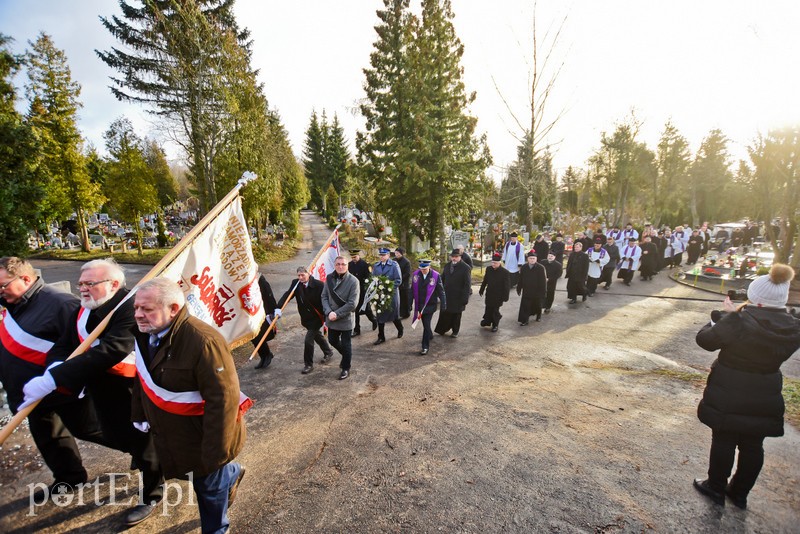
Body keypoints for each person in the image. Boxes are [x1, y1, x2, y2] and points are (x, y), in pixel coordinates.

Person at [20, 259, 163, 526]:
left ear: (113, 284)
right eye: (81, 284)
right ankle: (150, 457)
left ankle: (152, 494)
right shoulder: (85, 309)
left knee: (143, 443)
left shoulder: (131, 307)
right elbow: (65, 343)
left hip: (132, 388)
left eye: (90, 283)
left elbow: (114, 349)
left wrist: (58, 377)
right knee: (113, 434)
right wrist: (53, 368)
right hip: (100, 387)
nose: (83, 289)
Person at [131, 277, 248, 533]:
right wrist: (139, 413)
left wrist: (216, 453)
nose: (138, 314)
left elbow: (223, 401)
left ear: (173, 309)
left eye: (147, 309)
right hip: (174, 432)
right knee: (197, 478)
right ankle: (230, 473)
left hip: (204, 436)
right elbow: (142, 377)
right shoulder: (144, 333)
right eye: (136, 307)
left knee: (208, 491)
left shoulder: (204, 341)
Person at [0, 257, 111, 495]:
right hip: (29, 393)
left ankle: (149, 454)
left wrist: (67, 379)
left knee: (92, 429)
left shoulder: (61, 303)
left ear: (25, 279)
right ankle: (69, 478)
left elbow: (85, 343)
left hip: (62, 390)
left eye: (2, 286)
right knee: (49, 436)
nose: (0, 292)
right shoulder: (14, 304)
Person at [693, 264, 800, 509]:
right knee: (753, 444)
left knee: (724, 438)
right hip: (766, 389)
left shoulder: (738, 322)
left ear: (756, 298)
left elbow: (706, 340)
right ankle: (739, 493)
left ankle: (715, 486)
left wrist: (721, 317)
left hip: (730, 387)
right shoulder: (793, 326)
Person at [277, 266, 334, 374]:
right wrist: (278, 307)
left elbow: (326, 300)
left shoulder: (319, 285)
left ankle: (308, 364)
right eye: (298, 275)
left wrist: (327, 315)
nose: (300, 277)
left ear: (309, 273)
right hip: (305, 318)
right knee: (316, 335)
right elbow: (288, 295)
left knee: (308, 340)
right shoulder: (296, 283)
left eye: (302, 275)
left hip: (317, 317)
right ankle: (328, 351)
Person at [321, 256, 359, 380]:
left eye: (343, 264)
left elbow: (352, 303)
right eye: (338, 264)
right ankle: (347, 356)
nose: (340, 266)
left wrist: (336, 314)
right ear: (334, 265)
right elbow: (324, 296)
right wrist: (328, 312)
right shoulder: (329, 278)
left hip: (345, 318)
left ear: (347, 265)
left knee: (346, 344)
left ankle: (345, 368)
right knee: (332, 340)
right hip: (331, 317)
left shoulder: (353, 281)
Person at [409, 259, 446, 355]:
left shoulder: (435, 276)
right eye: (421, 269)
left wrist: (443, 304)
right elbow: (412, 290)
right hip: (420, 304)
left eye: (425, 269)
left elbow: (441, 291)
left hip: (430, 305)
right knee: (425, 323)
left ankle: (425, 346)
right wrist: (409, 304)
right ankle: (430, 334)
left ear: (429, 267)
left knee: (426, 324)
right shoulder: (416, 275)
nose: (423, 271)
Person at [434, 249, 471, 338]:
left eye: (456, 257)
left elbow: (467, 284)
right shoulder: (447, 266)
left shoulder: (465, 268)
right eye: (452, 257)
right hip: (447, 295)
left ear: (460, 257)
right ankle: (442, 329)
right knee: (444, 313)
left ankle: (455, 331)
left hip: (458, 296)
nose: (454, 258)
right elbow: (442, 279)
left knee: (456, 315)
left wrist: (465, 298)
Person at [372, 248, 403, 345]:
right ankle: (381, 337)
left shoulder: (394, 265)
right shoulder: (376, 266)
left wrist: (388, 289)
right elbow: (373, 278)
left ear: (388, 255)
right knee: (380, 315)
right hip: (379, 294)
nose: (381, 257)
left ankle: (400, 328)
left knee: (393, 315)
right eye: (380, 255)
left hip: (391, 294)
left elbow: (398, 280)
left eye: (384, 255)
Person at [348, 250, 377, 337]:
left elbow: (369, 278)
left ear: (359, 255)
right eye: (352, 257)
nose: (353, 259)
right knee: (355, 310)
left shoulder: (365, 265)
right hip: (354, 291)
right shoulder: (350, 265)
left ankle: (374, 320)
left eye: (355, 257)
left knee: (367, 310)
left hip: (363, 291)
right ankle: (357, 330)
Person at [252, 274, 278, 369]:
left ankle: (266, 355)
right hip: (251, 312)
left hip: (263, 312)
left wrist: (273, 311)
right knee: (253, 336)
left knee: (260, 335)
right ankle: (264, 355)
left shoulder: (260, 280)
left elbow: (269, 296)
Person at [479, 253, 510, 332]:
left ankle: (495, 325)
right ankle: (487, 321)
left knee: (495, 310)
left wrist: (506, 296)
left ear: (499, 263)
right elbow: (485, 280)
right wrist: (481, 289)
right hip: (489, 293)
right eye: (492, 262)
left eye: (495, 263)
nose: (493, 264)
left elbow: (506, 286)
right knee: (488, 308)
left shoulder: (505, 272)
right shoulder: (489, 269)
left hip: (498, 295)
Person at [516, 252, 547, 324]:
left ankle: (538, 316)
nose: (532, 260)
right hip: (527, 290)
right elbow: (520, 279)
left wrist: (543, 292)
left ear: (536, 259)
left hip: (537, 291)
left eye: (533, 258)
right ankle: (525, 320)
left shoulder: (540, 268)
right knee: (525, 305)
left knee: (537, 305)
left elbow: (543, 281)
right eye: (530, 258)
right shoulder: (524, 267)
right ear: (528, 259)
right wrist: (519, 288)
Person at [394, 247, 412, 319]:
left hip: (404, 284)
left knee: (404, 299)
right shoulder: (393, 261)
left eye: (398, 253)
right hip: (395, 283)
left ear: (401, 253)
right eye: (395, 253)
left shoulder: (406, 262)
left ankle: (406, 313)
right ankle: (398, 313)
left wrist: (400, 278)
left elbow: (407, 273)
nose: (396, 254)